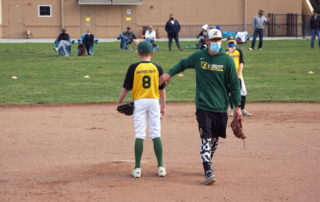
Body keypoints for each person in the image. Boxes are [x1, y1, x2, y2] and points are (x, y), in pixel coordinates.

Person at [159, 29, 242, 185]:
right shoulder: (199, 56)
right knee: (206, 138)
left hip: (220, 106)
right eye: (213, 40)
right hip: (203, 105)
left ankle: (207, 160)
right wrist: (169, 73)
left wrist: (237, 107)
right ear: (207, 42)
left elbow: (234, 86)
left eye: (219, 40)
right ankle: (208, 170)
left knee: (215, 140)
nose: (217, 43)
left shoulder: (228, 61)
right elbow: (183, 63)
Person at [117, 41, 167, 178]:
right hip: (153, 101)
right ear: (152, 53)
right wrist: (163, 106)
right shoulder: (158, 68)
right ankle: (161, 167)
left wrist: (119, 101)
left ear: (138, 53)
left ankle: (137, 168)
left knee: (140, 134)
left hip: (139, 102)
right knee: (156, 133)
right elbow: (162, 90)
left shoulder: (133, 67)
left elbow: (126, 87)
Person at [225, 36, 252, 117]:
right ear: (227, 44)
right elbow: (227, 63)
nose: (231, 44)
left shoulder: (239, 51)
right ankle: (232, 109)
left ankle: (242, 109)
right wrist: (229, 53)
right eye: (230, 43)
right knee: (230, 93)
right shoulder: (225, 53)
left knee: (243, 91)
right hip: (229, 76)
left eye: (233, 42)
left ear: (235, 43)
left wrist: (238, 74)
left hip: (239, 75)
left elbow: (241, 63)